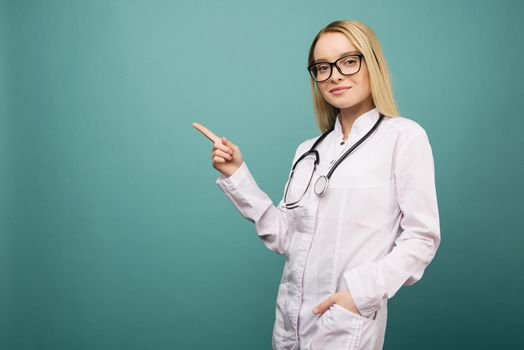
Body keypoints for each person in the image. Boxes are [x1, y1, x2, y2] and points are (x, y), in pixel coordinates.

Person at [193, 19, 440, 350]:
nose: (335, 75)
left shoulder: (403, 137)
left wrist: (360, 294)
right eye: (322, 67)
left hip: (346, 324)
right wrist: (237, 174)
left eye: (349, 61)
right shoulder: (309, 150)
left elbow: (421, 238)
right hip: (290, 323)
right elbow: (287, 237)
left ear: (373, 62)